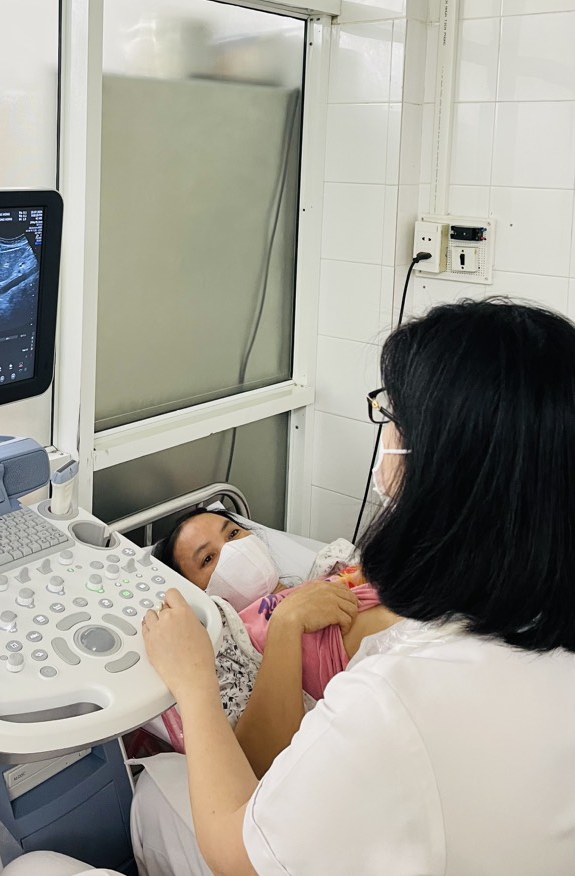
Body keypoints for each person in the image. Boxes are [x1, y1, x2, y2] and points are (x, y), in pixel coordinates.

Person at [132, 299, 575, 875]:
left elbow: (240, 854)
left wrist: (194, 683)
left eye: (392, 416)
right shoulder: (523, 615)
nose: (385, 433)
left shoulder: (390, 697)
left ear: (445, 468)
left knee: (82, 838)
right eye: (208, 558)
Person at [152, 509, 399, 773]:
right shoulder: (230, 645)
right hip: (401, 656)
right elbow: (256, 764)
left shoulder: (325, 574)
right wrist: (287, 622)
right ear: (195, 596)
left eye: (233, 534)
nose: (233, 550)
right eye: (208, 559)